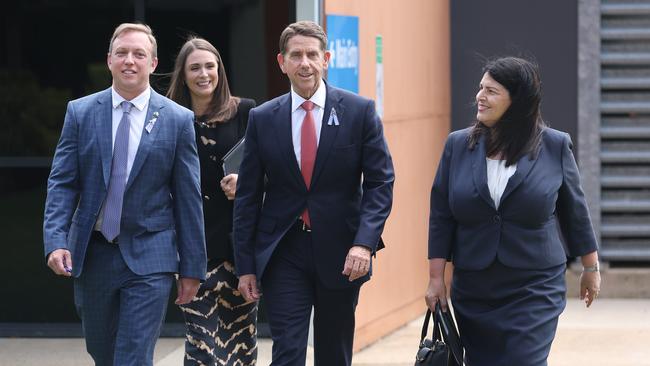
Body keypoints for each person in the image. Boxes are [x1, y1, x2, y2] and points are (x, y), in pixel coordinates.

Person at [43, 23, 206, 366]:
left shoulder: (177, 120)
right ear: (109, 60)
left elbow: (189, 199)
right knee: (103, 353)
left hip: (151, 256)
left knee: (133, 357)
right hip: (95, 254)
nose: (129, 60)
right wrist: (56, 240)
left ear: (153, 63)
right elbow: (63, 182)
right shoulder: (80, 112)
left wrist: (191, 267)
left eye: (139, 54)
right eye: (122, 53)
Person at [233, 20, 394, 366]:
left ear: (326, 59)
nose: (304, 62)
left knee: (333, 353)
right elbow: (247, 197)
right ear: (282, 62)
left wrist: (364, 243)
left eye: (311, 54)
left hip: (342, 252)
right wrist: (246, 266)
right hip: (284, 251)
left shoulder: (359, 111)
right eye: (296, 55)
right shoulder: (263, 118)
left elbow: (380, 183)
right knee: (287, 352)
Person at [425, 56, 601, 366]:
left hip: (534, 285)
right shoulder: (457, 146)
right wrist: (436, 279)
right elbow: (441, 214)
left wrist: (590, 267)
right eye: (481, 88)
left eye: (491, 91)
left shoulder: (555, 146)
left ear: (517, 98)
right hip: (475, 286)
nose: (480, 96)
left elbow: (574, 211)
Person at [167, 37, 258, 366]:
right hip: (193, 250)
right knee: (202, 348)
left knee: (240, 345)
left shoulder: (246, 111)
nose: (203, 74)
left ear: (219, 70)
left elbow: (273, 170)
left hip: (238, 250)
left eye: (210, 66)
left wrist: (247, 184)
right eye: (195, 67)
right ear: (183, 74)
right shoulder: (170, 116)